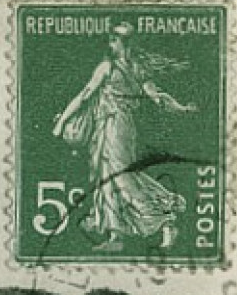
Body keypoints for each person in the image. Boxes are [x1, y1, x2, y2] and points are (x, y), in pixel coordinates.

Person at [51, 22, 197, 252]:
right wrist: (182, 109)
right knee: (108, 175)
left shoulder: (107, 67)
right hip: (120, 127)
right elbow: (159, 98)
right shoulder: (138, 69)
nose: (110, 43)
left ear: (121, 42)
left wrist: (61, 123)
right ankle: (114, 234)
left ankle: (164, 221)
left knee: (120, 177)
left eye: (113, 39)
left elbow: (85, 95)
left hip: (113, 126)